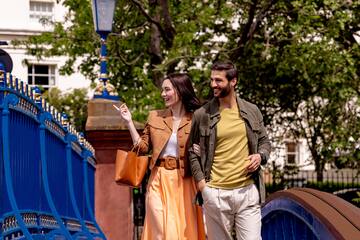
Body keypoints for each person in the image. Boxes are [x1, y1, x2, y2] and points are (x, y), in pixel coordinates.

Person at [188, 61, 271, 240]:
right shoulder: (202, 115)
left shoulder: (252, 111)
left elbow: (264, 141)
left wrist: (260, 156)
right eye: (211, 80)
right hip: (215, 193)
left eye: (218, 80)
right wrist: (202, 185)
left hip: (247, 192)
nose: (213, 85)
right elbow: (192, 152)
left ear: (233, 81)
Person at [119, 73, 205, 240]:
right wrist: (129, 122)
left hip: (185, 181)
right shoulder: (155, 116)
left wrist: (201, 152)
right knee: (159, 231)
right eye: (162, 90)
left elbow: (206, 149)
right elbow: (142, 148)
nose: (163, 94)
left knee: (182, 232)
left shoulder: (196, 119)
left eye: (167, 90)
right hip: (158, 178)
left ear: (180, 91)